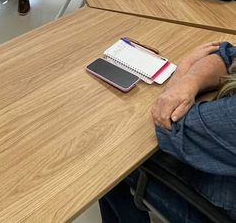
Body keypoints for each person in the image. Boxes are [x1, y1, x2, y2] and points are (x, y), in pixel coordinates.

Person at [99, 41, 236, 221]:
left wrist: (182, 72)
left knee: (110, 164)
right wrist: (190, 81)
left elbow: (170, 123)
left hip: (220, 199)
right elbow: (227, 56)